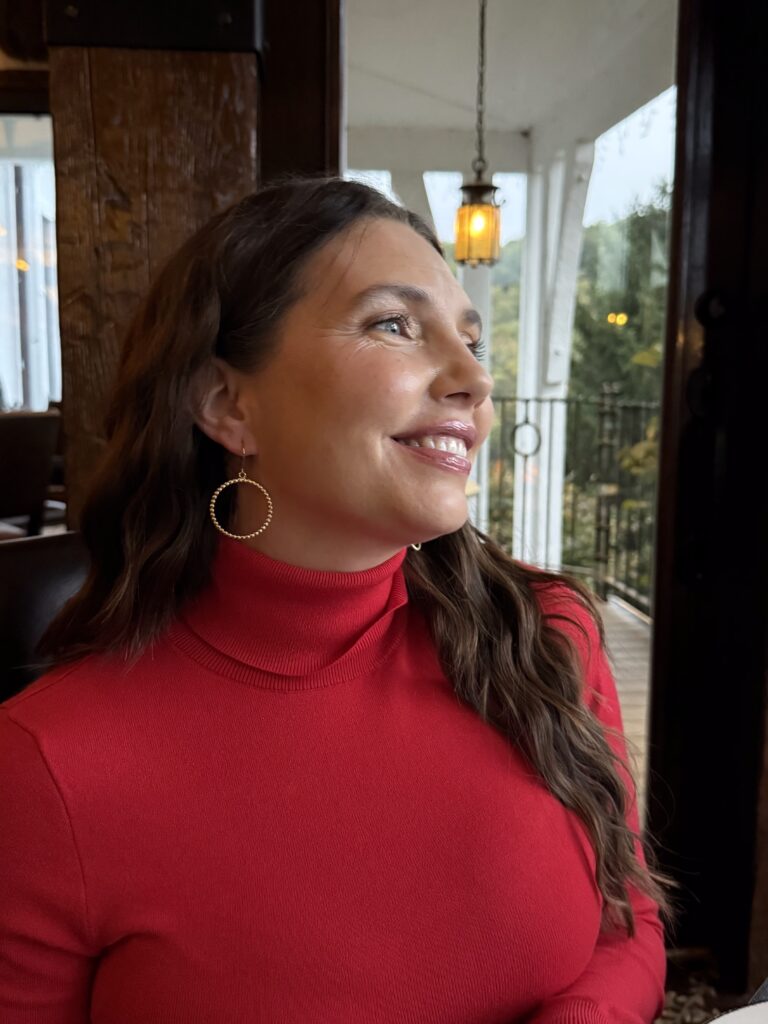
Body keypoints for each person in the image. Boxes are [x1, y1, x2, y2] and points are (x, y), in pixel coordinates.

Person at [0, 177, 670, 1023]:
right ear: (227, 404)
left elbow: (627, 919)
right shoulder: (49, 764)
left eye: (472, 341)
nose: (473, 379)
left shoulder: (546, 637)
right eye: (394, 325)